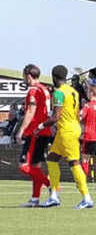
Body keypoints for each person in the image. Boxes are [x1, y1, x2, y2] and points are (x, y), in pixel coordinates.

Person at [41, 65, 94, 209]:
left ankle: (87, 198)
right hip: (71, 128)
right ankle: (53, 196)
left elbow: (55, 117)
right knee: (52, 159)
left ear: (54, 77)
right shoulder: (74, 91)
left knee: (74, 163)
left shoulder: (58, 93)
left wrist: (40, 126)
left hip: (66, 131)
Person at [15, 64, 53, 207]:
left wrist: (20, 131)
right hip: (45, 131)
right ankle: (35, 199)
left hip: (35, 132)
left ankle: (51, 184)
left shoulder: (33, 91)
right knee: (36, 166)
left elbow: (30, 112)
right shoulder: (45, 89)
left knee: (24, 166)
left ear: (28, 75)